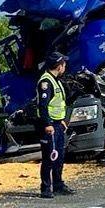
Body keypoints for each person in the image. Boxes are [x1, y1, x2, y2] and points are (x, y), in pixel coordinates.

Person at [37, 52, 75, 198]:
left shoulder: (56, 80)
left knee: (59, 157)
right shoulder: (45, 82)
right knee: (49, 158)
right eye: (64, 64)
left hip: (58, 125)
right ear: (59, 66)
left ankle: (58, 184)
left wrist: (63, 121)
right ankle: (46, 188)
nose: (65, 67)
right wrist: (47, 124)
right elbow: (43, 105)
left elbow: (60, 103)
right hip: (50, 126)